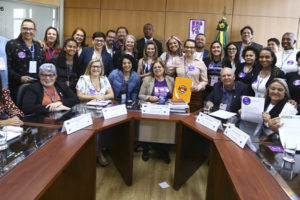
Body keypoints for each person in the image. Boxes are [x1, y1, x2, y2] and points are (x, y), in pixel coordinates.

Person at [76, 59, 114, 166]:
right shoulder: (83, 79)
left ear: (101, 69)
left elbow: (111, 94)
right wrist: (94, 97)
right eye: (93, 66)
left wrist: (102, 97)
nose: (96, 69)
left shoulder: (104, 79)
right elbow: (80, 96)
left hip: (103, 110)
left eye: (98, 67)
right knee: (97, 128)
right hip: (86, 110)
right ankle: (98, 152)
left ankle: (100, 148)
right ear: (89, 67)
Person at [138, 59, 174, 163]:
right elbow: (140, 95)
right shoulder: (147, 80)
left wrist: (173, 99)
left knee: (168, 129)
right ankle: (145, 150)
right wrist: (149, 98)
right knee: (146, 127)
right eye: (155, 68)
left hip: (167, 110)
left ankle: (165, 152)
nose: (157, 69)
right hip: (152, 109)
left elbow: (177, 96)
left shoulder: (171, 80)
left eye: (159, 67)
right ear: (152, 70)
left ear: (164, 69)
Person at [6, 19, 45, 101]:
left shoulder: (39, 46)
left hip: (37, 86)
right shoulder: (12, 44)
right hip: (17, 86)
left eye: (31, 29)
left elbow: (43, 67)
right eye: (25, 28)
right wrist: (20, 78)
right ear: (21, 29)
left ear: (35, 31)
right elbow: (7, 68)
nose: (28, 31)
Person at [171, 39, 208, 112]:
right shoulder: (177, 61)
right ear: (183, 48)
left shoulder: (200, 63)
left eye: (191, 48)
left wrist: (198, 87)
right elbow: (169, 73)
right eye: (187, 47)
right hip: (180, 92)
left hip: (195, 94)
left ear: (195, 49)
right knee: (179, 115)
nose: (189, 49)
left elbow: (205, 81)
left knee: (192, 118)